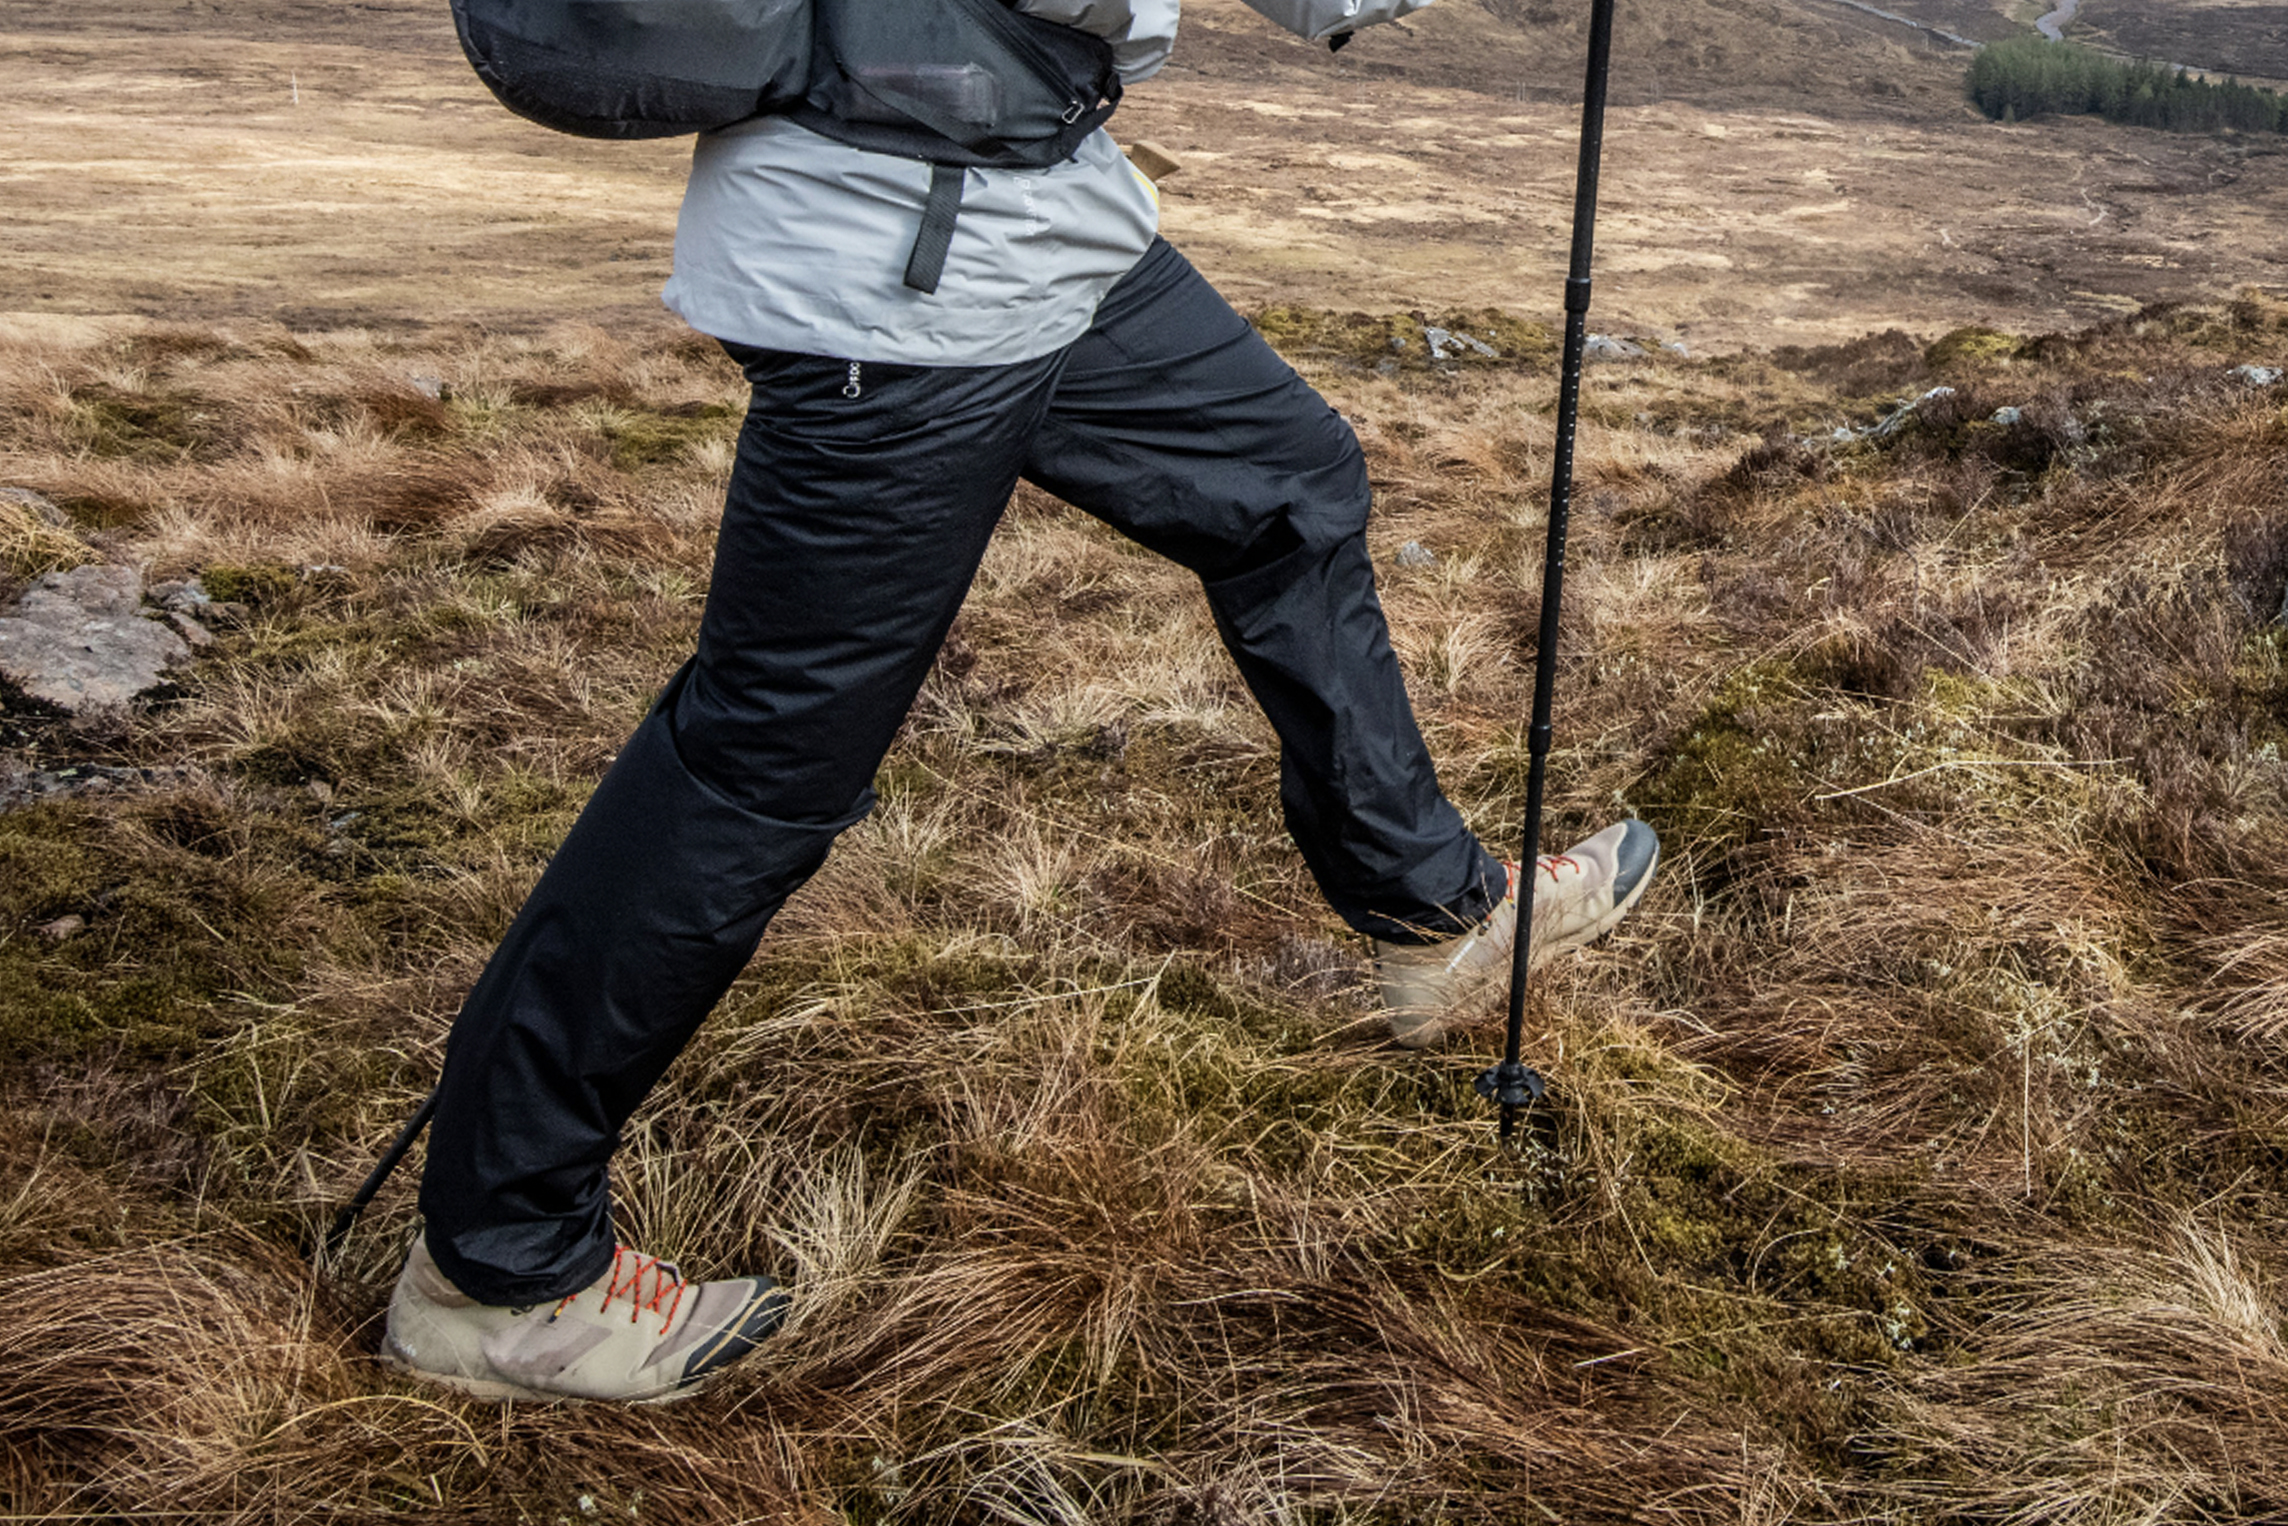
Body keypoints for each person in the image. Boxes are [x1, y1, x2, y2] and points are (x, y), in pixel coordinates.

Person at [382, 0, 1659, 1405]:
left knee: (1286, 487)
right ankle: (498, 1273)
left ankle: (1434, 916)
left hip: (1026, 223)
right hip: (901, 280)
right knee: (761, 764)